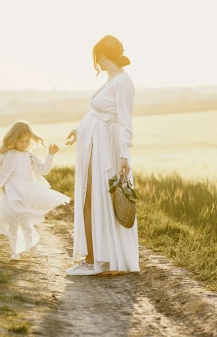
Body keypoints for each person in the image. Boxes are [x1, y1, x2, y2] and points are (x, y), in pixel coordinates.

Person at [65, 35, 139, 276]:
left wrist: (125, 156)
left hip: (109, 150)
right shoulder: (111, 80)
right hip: (97, 148)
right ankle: (96, 257)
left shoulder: (123, 83)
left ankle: (97, 259)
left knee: (96, 201)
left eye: (97, 57)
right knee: (91, 199)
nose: (96, 62)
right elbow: (99, 113)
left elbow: (125, 121)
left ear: (104, 55)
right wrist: (80, 129)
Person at [0, 121, 70, 261]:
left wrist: (51, 154)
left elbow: (44, 170)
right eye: (21, 141)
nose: (24, 144)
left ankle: (32, 244)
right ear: (13, 140)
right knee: (12, 223)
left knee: (25, 222)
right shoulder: (7, 154)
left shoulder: (30, 156)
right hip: (10, 193)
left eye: (27, 141)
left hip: (25, 194)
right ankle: (15, 251)